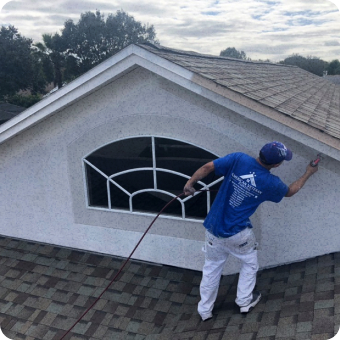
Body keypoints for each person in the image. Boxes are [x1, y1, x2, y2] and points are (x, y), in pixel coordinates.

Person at [183, 141, 318, 319]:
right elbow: (290, 191)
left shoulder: (239, 158)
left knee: (211, 269)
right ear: (277, 164)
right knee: (249, 263)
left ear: (260, 152)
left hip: (213, 230)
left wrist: (190, 183)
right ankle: (244, 302)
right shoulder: (271, 182)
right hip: (239, 234)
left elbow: (208, 166)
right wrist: (308, 172)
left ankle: (204, 311)